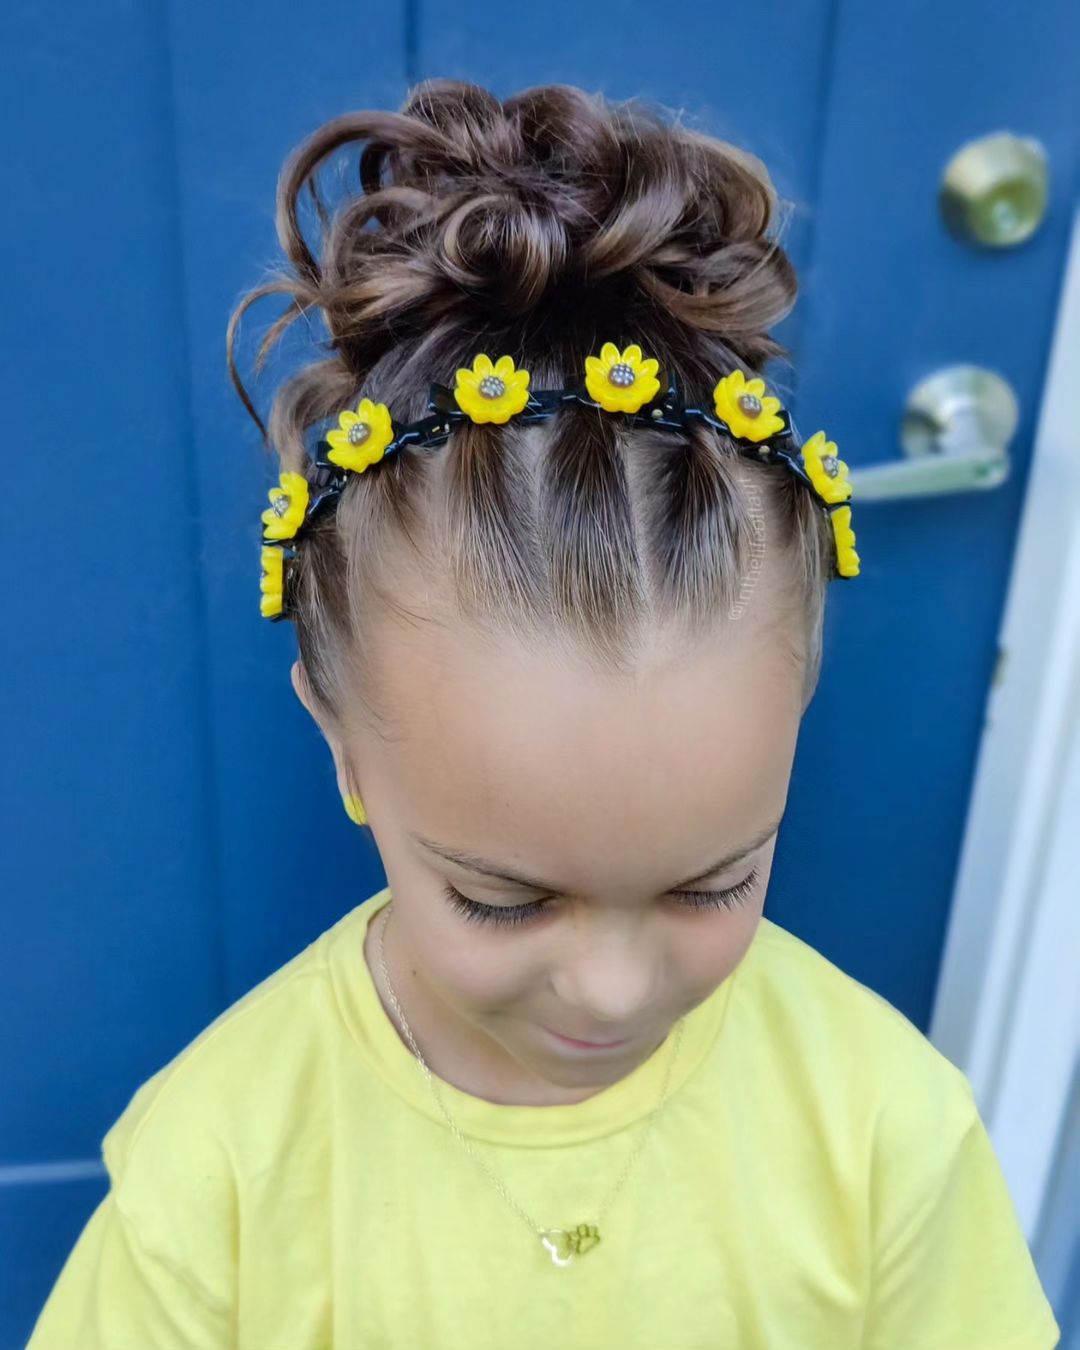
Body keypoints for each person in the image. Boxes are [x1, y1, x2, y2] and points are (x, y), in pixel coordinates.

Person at [27, 77, 1060, 1349]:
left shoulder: (885, 1130)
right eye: (505, 901)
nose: (616, 990)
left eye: (713, 883)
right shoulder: (222, 1176)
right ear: (342, 747)